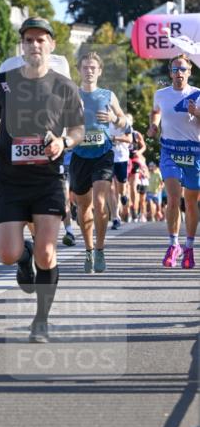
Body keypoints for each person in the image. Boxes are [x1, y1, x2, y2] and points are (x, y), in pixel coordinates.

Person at [0, 17, 85, 343]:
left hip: (47, 180)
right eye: (29, 40)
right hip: (10, 179)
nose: (35, 45)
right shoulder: (3, 82)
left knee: (47, 253)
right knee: (7, 254)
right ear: (22, 46)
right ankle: (23, 257)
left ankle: (41, 320)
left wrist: (64, 142)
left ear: (51, 45)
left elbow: (78, 129)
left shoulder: (64, 86)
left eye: (41, 40)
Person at [69, 52, 128, 274]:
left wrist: (113, 118)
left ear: (99, 71)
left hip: (103, 154)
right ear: (79, 70)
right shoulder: (72, 95)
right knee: (83, 206)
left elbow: (123, 121)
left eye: (93, 67)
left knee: (100, 202)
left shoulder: (108, 95)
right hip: (79, 155)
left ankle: (100, 249)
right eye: (85, 67)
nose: (89, 71)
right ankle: (88, 250)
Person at [148, 57, 200, 268]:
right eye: (175, 69)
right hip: (170, 150)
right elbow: (156, 111)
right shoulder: (161, 94)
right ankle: (173, 244)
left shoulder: (197, 94)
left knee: (191, 202)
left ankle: (189, 247)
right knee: (172, 197)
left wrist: (196, 113)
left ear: (189, 72)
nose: (179, 72)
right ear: (170, 73)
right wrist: (153, 125)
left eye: (183, 69)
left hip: (194, 152)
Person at [109, 114, 133, 229]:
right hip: (107, 158)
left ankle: (123, 195)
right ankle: (115, 217)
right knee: (110, 188)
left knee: (120, 189)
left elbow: (129, 139)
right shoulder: (103, 122)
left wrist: (115, 138)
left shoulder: (125, 122)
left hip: (121, 158)